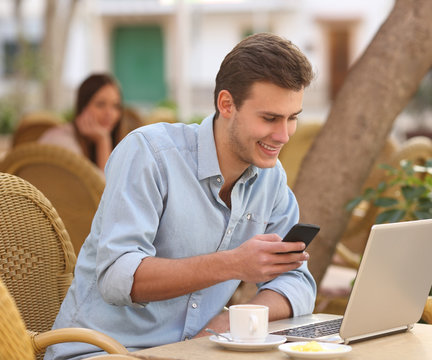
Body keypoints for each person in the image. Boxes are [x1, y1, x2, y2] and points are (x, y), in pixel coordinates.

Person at [45, 32, 317, 360]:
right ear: (226, 104)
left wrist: (228, 320)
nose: (283, 135)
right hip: (103, 352)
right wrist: (233, 264)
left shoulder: (271, 181)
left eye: (293, 118)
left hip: (199, 351)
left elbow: (297, 283)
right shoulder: (150, 153)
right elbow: (117, 277)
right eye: (270, 118)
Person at [39, 73, 125, 171]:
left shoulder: (120, 144)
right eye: (100, 104)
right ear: (83, 107)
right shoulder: (62, 142)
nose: (109, 113)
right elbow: (106, 186)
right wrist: (103, 141)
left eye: (115, 106)